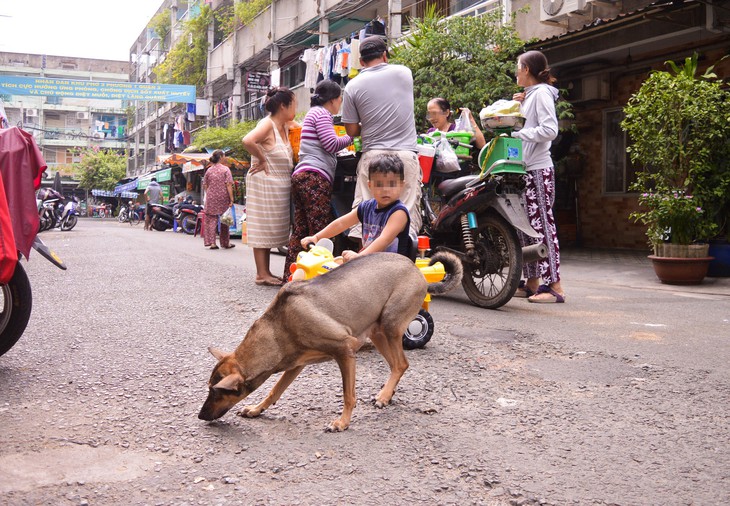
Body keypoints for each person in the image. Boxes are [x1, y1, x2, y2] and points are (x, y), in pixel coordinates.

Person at [341, 35, 421, 243]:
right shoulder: (404, 73)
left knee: (365, 214)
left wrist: (366, 125)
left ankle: (366, 268)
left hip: (373, 155)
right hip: (405, 155)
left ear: (361, 62)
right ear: (385, 56)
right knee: (406, 216)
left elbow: (350, 130)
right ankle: (401, 268)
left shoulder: (352, 86)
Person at [283, 80, 353, 278]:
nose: (340, 103)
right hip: (314, 176)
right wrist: (353, 135)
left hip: (302, 176)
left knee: (301, 231)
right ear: (333, 99)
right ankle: (317, 281)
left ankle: (292, 278)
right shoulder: (322, 113)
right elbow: (331, 144)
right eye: (340, 99)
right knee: (319, 230)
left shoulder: (312, 113)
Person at [511, 50, 566, 303]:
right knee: (528, 229)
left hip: (539, 169)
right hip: (527, 169)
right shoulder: (532, 95)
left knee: (543, 225)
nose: (515, 72)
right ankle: (533, 282)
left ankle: (555, 286)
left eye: (518, 67)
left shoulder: (542, 93)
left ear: (526, 69)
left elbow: (550, 130)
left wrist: (520, 135)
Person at [301, 153, 411, 262]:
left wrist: (360, 257)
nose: (385, 189)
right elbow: (341, 223)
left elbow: (384, 240)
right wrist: (316, 237)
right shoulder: (366, 207)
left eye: (391, 184)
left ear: (401, 185)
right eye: (379, 184)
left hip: (392, 269)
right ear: (370, 186)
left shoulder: (398, 213)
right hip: (370, 264)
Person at [241, 86, 299, 286]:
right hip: (265, 181)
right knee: (263, 225)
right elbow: (248, 140)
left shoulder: (285, 125)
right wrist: (262, 158)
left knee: (273, 227)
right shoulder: (267, 124)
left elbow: (300, 127)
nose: (296, 108)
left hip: (279, 183)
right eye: (293, 104)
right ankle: (261, 274)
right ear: (283, 106)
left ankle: (265, 272)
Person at [201, 149, 235, 250]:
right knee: (224, 219)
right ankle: (225, 243)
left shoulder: (209, 170)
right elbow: (229, 184)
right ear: (220, 157)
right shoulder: (226, 169)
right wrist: (231, 198)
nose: (225, 158)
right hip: (223, 197)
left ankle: (212, 243)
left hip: (211, 197)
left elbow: (205, 185)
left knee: (211, 220)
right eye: (224, 156)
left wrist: (210, 193)